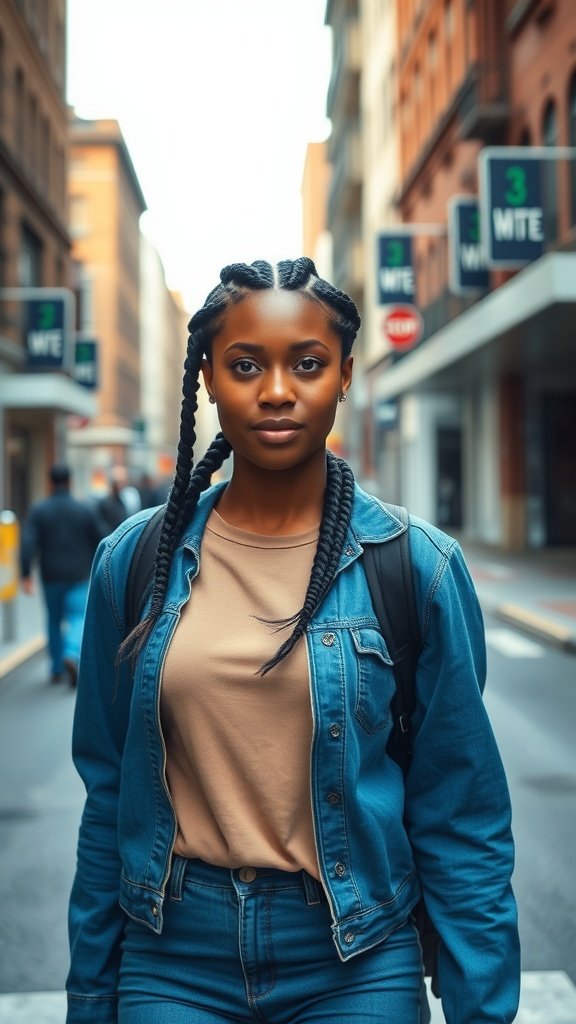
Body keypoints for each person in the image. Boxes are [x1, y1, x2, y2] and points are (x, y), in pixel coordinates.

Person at [66, 259, 520, 1024]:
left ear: (345, 375)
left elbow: (462, 815)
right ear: (207, 378)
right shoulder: (133, 562)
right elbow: (108, 798)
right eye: (245, 366)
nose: (277, 389)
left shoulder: (417, 567)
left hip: (357, 955)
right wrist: (91, 996)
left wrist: (481, 1007)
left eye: (307, 364)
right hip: (173, 956)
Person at [20, 463, 103, 687]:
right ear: (70, 481)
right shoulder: (84, 509)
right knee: (78, 616)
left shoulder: (40, 510)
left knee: (53, 620)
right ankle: (72, 654)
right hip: (79, 575)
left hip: (51, 576)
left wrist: (25, 574)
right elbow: (102, 539)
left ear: (50, 482)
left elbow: (28, 543)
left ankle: (56, 669)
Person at [96, 465, 141, 534]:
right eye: (117, 482)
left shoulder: (131, 495)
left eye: (122, 482)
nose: (119, 485)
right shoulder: (105, 502)